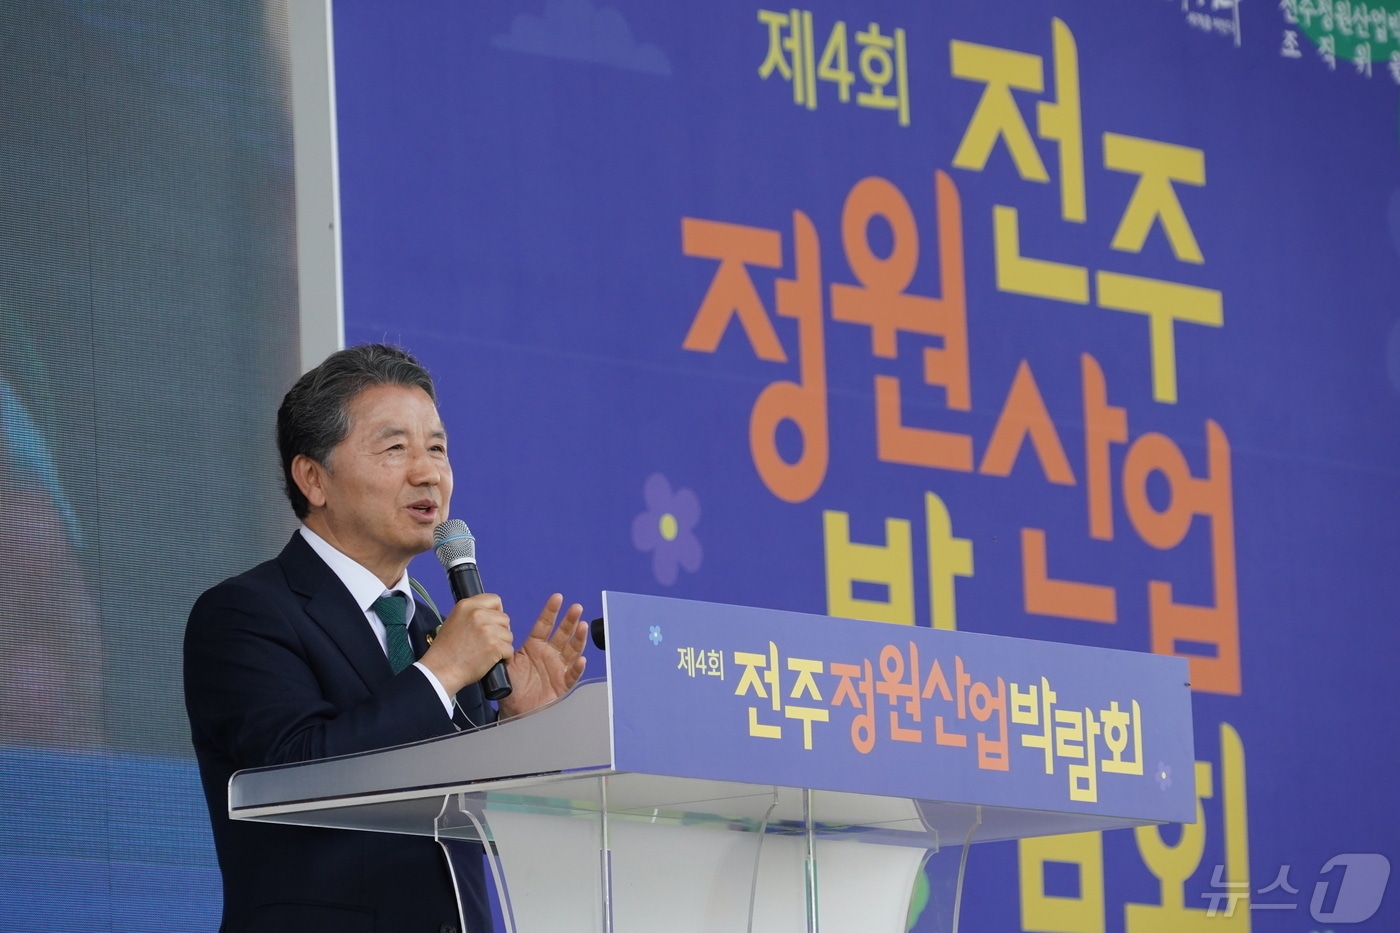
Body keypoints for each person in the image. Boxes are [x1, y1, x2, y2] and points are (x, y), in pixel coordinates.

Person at [184, 343, 588, 933]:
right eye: (395, 448)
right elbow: (299, 773)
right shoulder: (246, 614)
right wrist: (441, 675)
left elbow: (476, 825)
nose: (428, 472)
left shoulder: (435, 630)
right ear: (313, 478)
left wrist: (518, 731)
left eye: (437, 448)